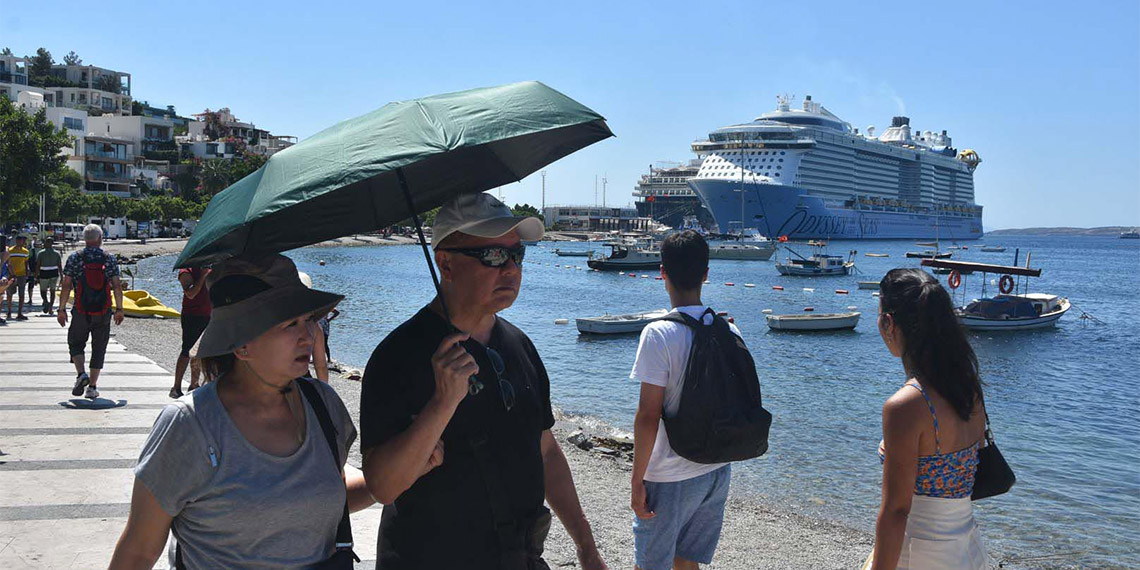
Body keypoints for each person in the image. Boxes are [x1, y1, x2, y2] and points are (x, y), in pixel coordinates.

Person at [360, 193, 606, 570]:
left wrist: (586, 546)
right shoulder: (398, 356)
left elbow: (546, 451)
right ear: (445, 263)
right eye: (492, 256)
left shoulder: (520, 344)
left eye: (517, 255)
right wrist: (442, 403)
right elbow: (382, 485)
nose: (510, 269)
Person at [109, 254, 376, 568]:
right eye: (291, 323)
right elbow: (139, 550)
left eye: (308, 320)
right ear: (241, 346)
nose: (309, 336)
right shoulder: (190, 425)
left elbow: (320, 492)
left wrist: (394, 472)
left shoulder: (324, 404)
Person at [629, 231, 736, 570]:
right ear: (706, 273)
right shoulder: (729, 330)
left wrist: (636, 480)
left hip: (668, 474)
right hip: (716, 468)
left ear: (663, 272)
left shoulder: (659, 334)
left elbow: (648, 415)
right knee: (688, 563)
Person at [868, 268, 988, 570]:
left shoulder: (906, 405)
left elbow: (896, 510)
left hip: (920, 553)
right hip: (967, 548)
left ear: (888, 323)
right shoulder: (968, 386)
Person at [57, 224, 125, 400]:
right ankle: (92, 387)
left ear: (84, 239)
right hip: (103, 311)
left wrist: (61, 309)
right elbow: (117, 286)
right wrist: (119, 309)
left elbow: (66, 285)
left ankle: (81, 374)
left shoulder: (75, 258)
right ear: (100, 239)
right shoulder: (108, 258)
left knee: (75, 342)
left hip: (81, 309)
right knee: (99, 347)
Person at [172, 265, 212, 398]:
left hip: (207, 314)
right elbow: (190, 294)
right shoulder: (186, 271)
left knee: (199, 351)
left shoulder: (208, 268)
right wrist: (202, 276)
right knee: (187, 351)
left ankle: (194, 384)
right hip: (192, 315)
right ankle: (176, 387)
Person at [297, 271, 332, 382]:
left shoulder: (276, 326)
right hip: (303, 380)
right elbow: (320, 365)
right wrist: (324, 392)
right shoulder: (315, 327)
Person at [36, 236, 63, 315]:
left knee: (43, 290)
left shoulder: (41, 253)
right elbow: (59, 265)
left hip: (44, 272)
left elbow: (38, 265)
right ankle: (50, 306)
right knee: (52, 291)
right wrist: (61, 275)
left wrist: (36, 276)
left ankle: (46, 302)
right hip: (54, 272)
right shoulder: (56, 253)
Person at [6, 234, 30, 321]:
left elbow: (26, 262)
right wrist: (10, 274)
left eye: (23, 241)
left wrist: (27, 271)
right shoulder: (10, 250)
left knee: (22, 294)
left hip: (22, 275)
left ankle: (19, 313)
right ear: (17, 241)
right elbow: (7, 262)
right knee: (9, 293)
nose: (23, 242)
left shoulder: (26, 251)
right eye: (21, 240)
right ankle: (9, 311)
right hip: (11, 275)